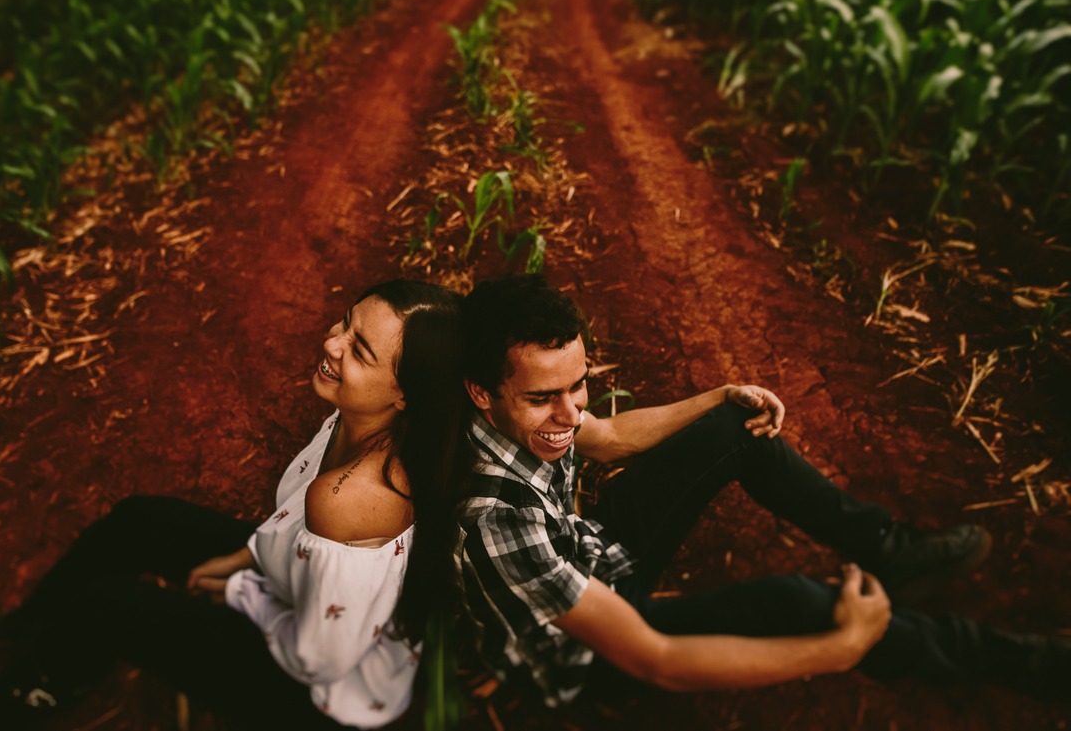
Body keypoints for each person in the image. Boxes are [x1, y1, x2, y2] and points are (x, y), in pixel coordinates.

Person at [455, 272, 1068, 709]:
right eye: (543, 399)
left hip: (589, 555)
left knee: (736, 428)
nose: (569, 414)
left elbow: (610, 435)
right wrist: (841, 647)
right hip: (590, 654)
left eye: (579, 385)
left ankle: (887, 546)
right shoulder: (494, 518)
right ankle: (1023, 663)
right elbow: (655, 659)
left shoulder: (522, 416)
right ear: (482, 392)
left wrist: (719, 398)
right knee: (799, 605)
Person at [0, 280, 473, 730]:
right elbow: (289, 526)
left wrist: (241, 590)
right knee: (138, 521)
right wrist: (246, 556)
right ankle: (44, 627)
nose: (332, 343)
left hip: (309, 698)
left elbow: (320, 660)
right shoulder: (360, 418)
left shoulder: (356, 495)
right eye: (344, 323)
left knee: (103, 607)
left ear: (406, 395)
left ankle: (31, 691)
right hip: (295, 594)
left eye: (360, 351)